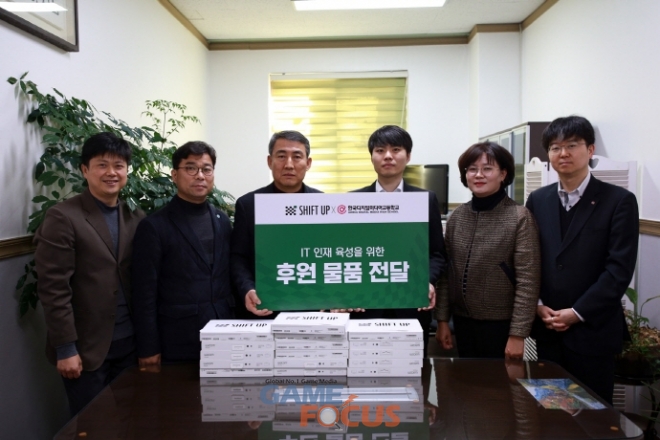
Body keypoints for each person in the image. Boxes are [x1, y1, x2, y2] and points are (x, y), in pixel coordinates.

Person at [525, 115, 639, 404]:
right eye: (555, 147)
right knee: (549, 411)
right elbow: (529, 260)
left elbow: (618, 270)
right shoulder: (538, 200)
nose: (563, 153)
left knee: (592, 415)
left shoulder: (619, 201)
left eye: (572, 145)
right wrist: (538, 305)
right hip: (548, 328)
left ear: (590, 150)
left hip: (593, 331)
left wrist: (576, 312)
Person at [35, 132, 145, 416]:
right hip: (85, 350)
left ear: (127, 171)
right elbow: (54, 288)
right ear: (85, 170)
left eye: (119, 165)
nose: (111, 173)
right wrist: (65, 348)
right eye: (102, 165)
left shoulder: (135, 217)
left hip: (130, 344)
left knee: (133, 423)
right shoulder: (63, 216)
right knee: (93, 427)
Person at [435, 142, 541, 359]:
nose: (478, 175)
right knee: (465, 379)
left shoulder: (519, 217)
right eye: (472, 169)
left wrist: (518, 334)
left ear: (503, 174)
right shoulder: (457, 217)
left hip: (501, 324)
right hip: (462, 321)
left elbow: (528, 282)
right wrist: (442, 320)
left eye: (487, 168)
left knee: (499, 381)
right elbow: (446, 274)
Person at [132, 141, 233, 366]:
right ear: (175, 175)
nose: (200, 176)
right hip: (179, 338)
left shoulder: (222, 220)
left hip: (224, 333)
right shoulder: (155, 226)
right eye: (191, 168)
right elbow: (144, 293)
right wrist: (148, 348)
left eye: (206, 169)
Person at [350, 125, 446, 346]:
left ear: (408, 156)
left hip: (411, 304)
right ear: (372, 157)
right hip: (365, 305)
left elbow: (437, 254)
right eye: (380, 150)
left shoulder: (425, 199)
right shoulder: (353, 201)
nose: (388, 156)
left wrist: (427, 281)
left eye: (395, 150)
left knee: (412, 364)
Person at [231, 130, 321, 317]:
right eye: (281, 156)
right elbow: (239, 258)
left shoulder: (323, 203)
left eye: (297, 157)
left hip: (312, 308)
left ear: (308, 163)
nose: (289, 164)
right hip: (265, 308)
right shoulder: (249, 204)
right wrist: (247, 289)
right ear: (269, 161)